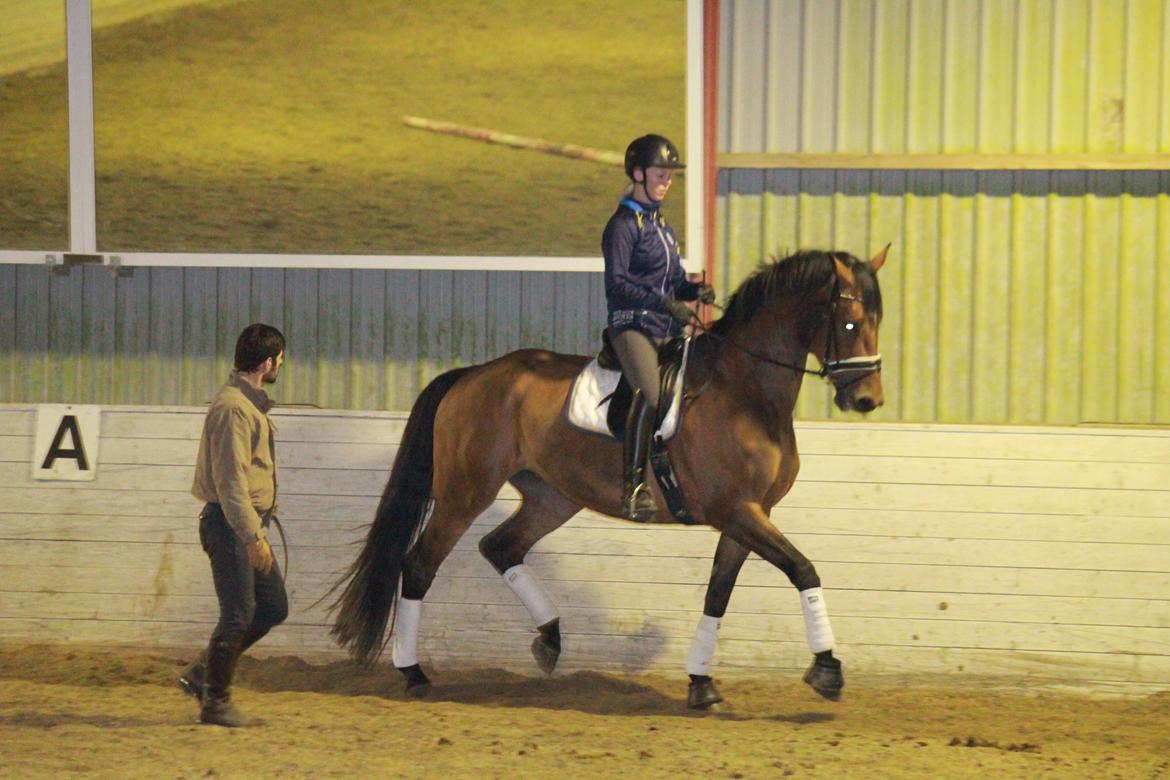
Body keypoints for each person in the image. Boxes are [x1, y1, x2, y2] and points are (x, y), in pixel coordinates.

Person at [179, 323, 289, 727]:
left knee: (273, 607)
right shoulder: (232, 409)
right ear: (267, 363)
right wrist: (252, 536)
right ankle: (216, 703)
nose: (281, 364)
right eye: (280, 359)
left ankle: (203, 674)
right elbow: (230, 484)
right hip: (231, 526)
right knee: (239, 614)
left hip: (243, 525)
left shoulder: (248, 405)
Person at [603, 134, 715, 522]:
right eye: (660, 174)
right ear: (638, 174)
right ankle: (634, 487)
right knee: (650, 394)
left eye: (670, 176)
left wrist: (693, 290)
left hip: (664, 326)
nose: (667, 181)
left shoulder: (661, 225)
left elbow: (673, 280)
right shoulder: (623, 225)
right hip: (630, 325)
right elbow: (617, 283)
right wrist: (665, 302)